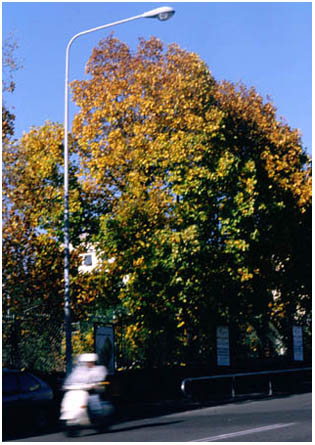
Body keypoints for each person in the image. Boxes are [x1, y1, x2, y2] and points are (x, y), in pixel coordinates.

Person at [63, 353, 108, 421]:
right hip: (79, 391)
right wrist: (66, 385)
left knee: (93, 399)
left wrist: (96, 385)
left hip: (92, 391)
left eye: (90, 362)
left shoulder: (99, 369)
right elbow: (71, 379)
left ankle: (97, 415)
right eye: (87, 362)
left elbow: (100, 379)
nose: (88, 364)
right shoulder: (78, 371)